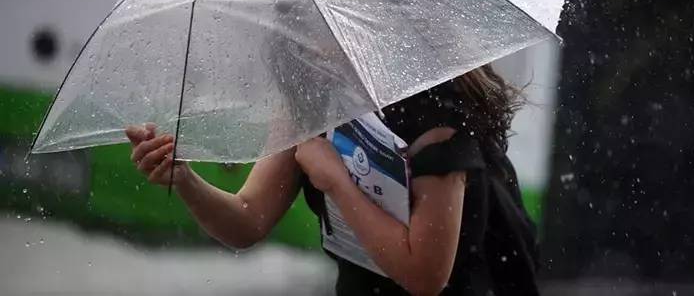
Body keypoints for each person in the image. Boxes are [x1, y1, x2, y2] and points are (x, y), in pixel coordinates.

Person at [125, 65, 539, 295]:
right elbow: (246, 220)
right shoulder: (314, 97)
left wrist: (336, 182)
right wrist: (185, 180)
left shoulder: (435, 118)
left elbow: (424, 276)